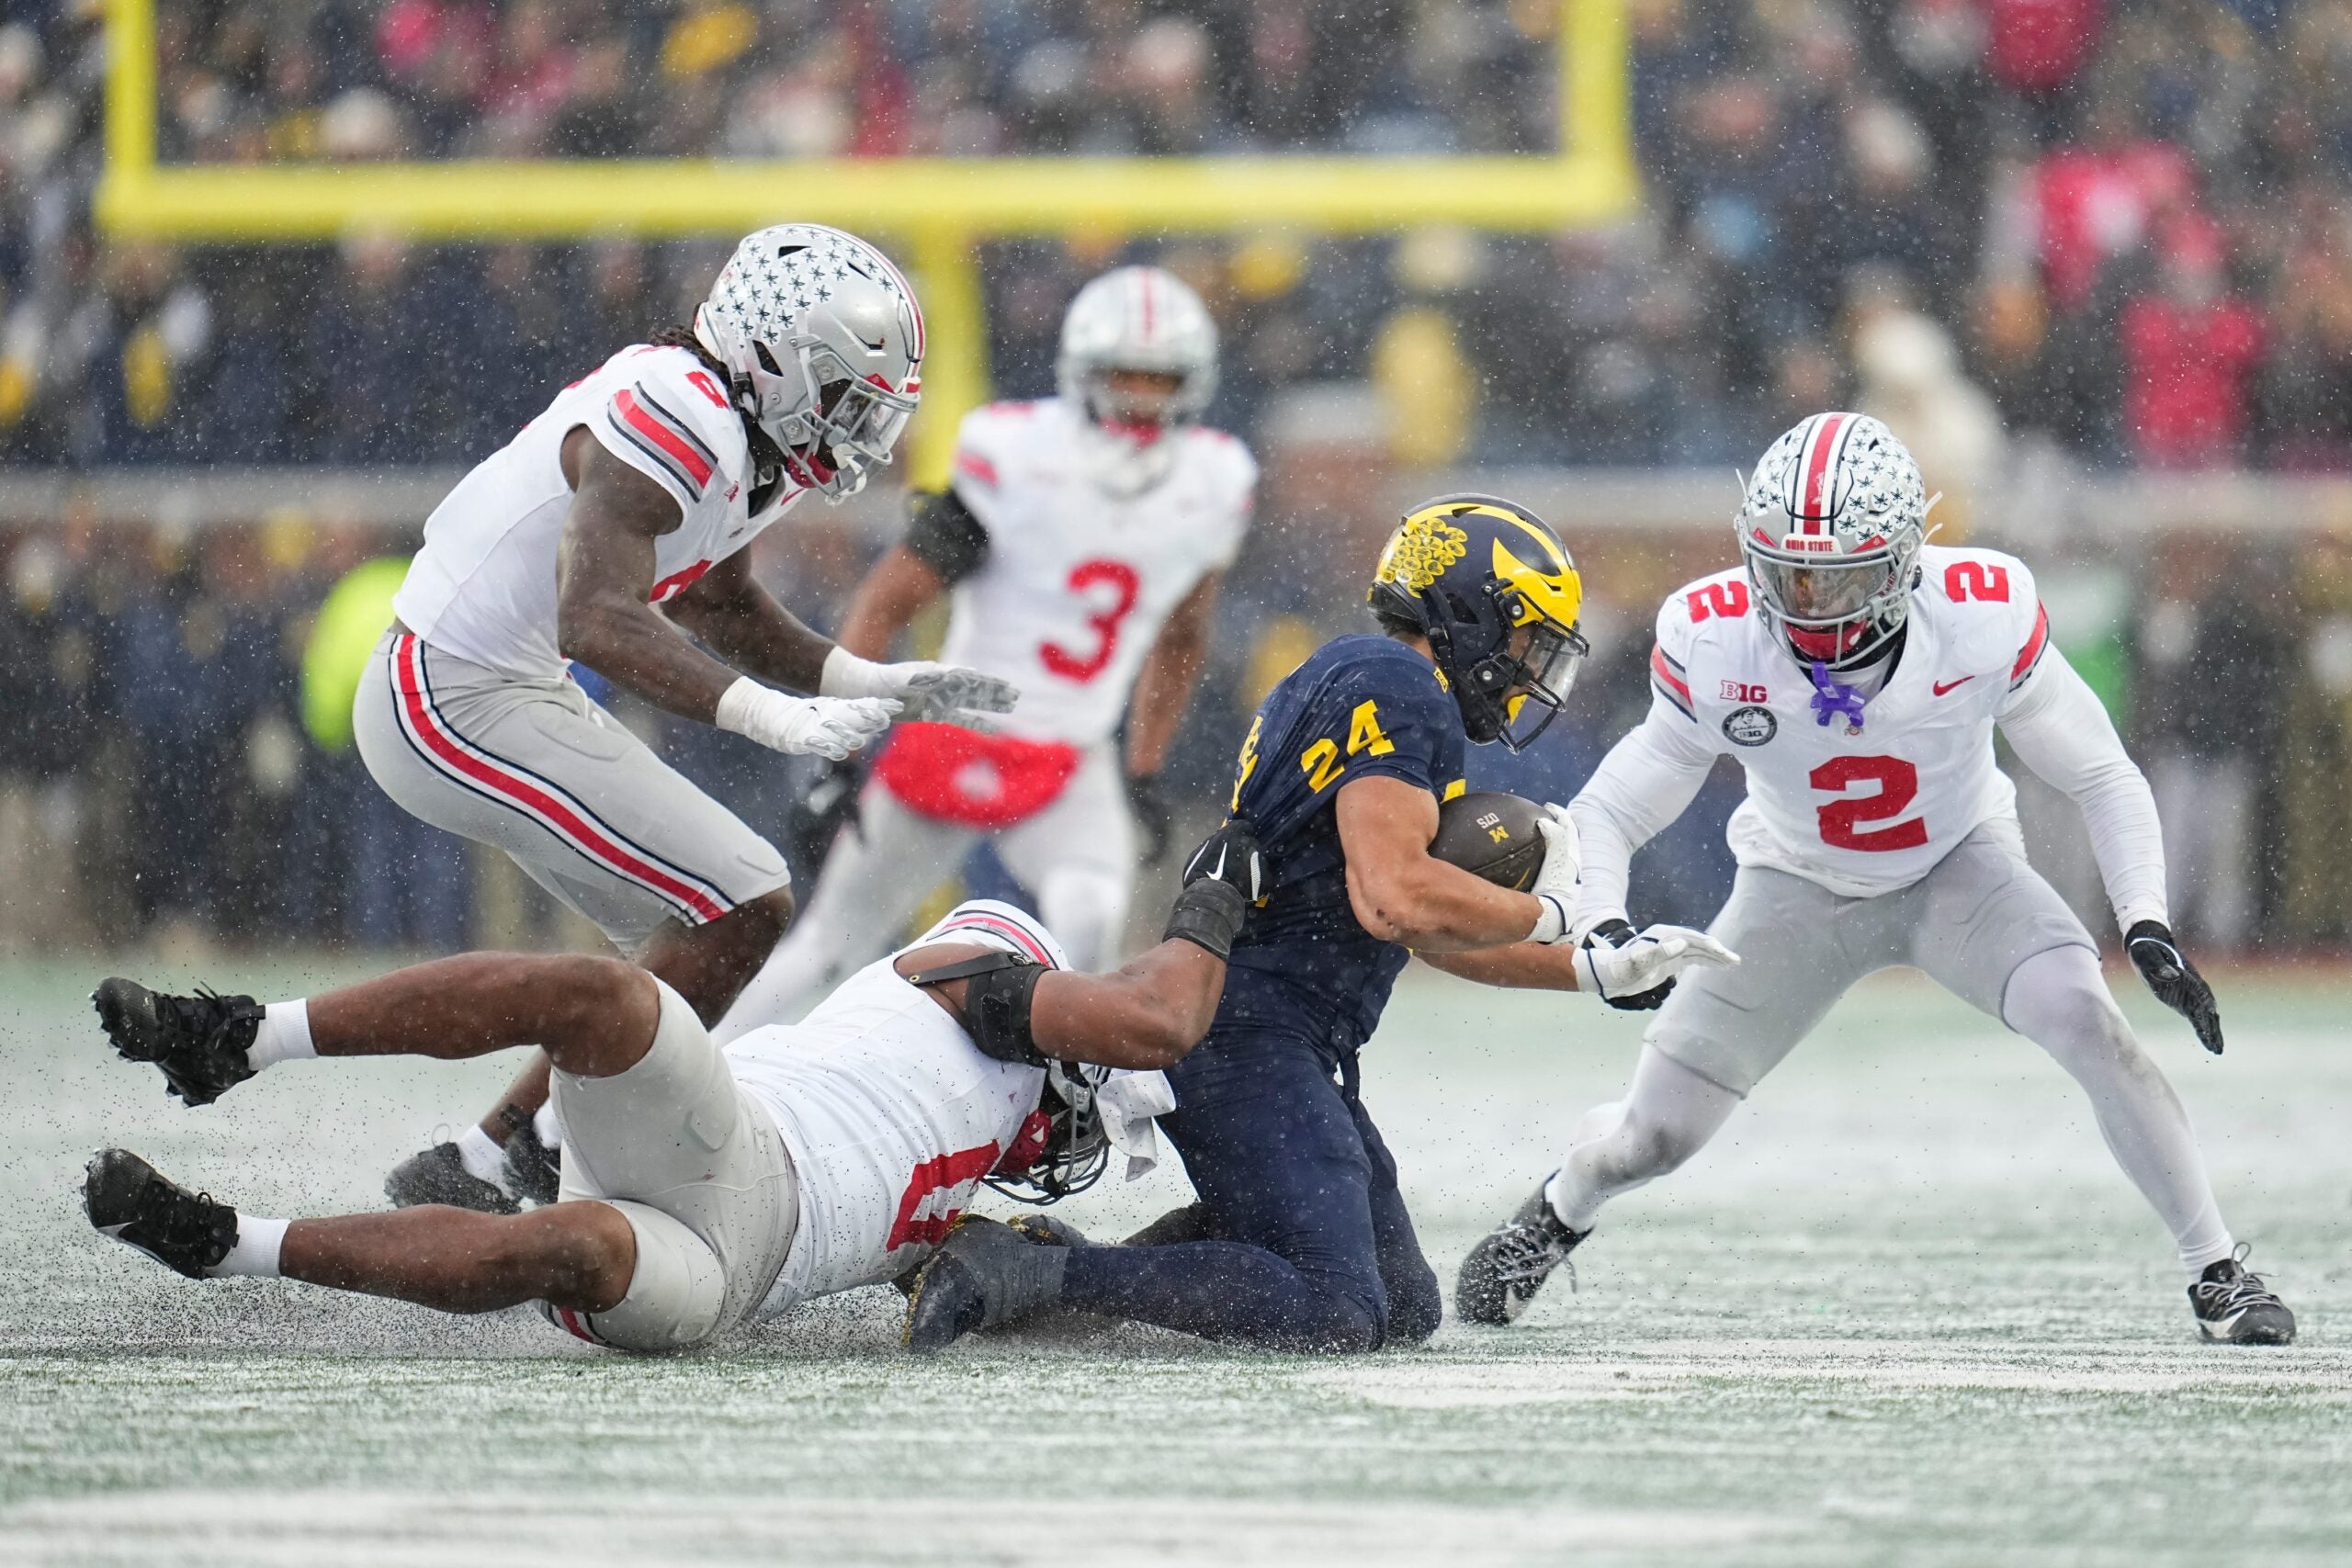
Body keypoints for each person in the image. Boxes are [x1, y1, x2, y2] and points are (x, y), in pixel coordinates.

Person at [1454, 412, 2296, 1346]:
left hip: (1960, 872)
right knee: (1653, 1140)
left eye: (1839, 576)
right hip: (1792, 890)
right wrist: (1605, 926)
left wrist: (2145, 921)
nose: (1810, 603)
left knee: (2090, 1023)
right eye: (1786, 572)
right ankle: (1561, 1206)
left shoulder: (1977, 613)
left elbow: (2098, 770)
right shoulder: (1715, 634)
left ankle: (2216, 1270)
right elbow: (1613, 808)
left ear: (1902, 559)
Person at [898, 497, 1736, 1356]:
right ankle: (1018, 1272)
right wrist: (1552, 907)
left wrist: (1591, 968)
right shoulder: (1398, 684)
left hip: (1275, 1033)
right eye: (1523, 639)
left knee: (1401, 1301)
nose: (1528, 668)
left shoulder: (1370, 678)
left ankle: (1062, 1275)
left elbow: (1418, 925)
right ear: (1468, 608)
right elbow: (1395, 897)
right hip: (1248, 1033)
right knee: (1337, 1306)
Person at [355, 224, 1017, 1214]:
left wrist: (863, 680)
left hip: (502, 684)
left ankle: (495, 1158)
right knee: (740, 904)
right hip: (447, 690)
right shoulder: (680, 409)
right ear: (772, 355)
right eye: (841, 394)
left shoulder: (743, 435)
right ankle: (523, 1151)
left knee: (710, 921)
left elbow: (717, 604)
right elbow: (597, 616)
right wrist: (772, 721)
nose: (857, 429)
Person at [82, 824, 1266, 1352]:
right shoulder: (986, 991)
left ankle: (222, 1241)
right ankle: (243, 1035)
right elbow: (1154, 1021)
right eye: (1081, 1100)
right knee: (606, 1002)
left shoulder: (975, 1192)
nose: (1069, 1134)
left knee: (578, 1248)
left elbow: (1071, 1278)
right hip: (735, 1141)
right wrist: (1223, 889)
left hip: (727, 1282)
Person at [717, 265, 1254, 1035]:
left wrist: (1142, 769)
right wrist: (839, 753)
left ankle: (1046, 1099)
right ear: (1083, 373)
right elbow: (884, 601)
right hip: (961, 724)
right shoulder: (1016, 457)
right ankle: (699, 1069)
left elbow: (1181, 638)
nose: (1140, 394)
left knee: (1091, 915)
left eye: (1158, 378)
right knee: (828, 947)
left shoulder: (1213, 481)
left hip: (1074, 750)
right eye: (1124, 374)